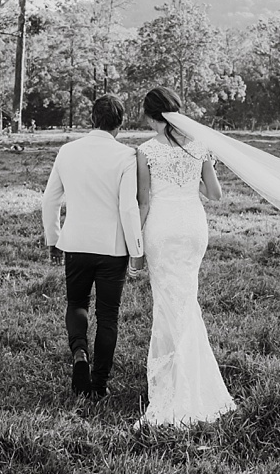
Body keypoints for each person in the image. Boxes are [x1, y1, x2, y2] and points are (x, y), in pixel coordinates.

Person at [134, 86, 237, 427]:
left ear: (150, 116)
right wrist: (196, 180)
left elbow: (144, 202)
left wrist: (135, 246)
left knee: (167, 303)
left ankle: (176, 382)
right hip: (193, 228)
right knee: (186, 299)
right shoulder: (199, 146)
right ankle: (193, 377)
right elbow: (215, 194)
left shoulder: (145, 151)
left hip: (161, 229)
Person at [41, 94, 143, 399]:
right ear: (121, 123)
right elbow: (128, 207)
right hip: (113, 248)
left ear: (91, 119)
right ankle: (99, 384)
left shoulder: (67, 151)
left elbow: (50, 200)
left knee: (77, 303)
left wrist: (53, 240)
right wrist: (136, 249)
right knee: (108, 315)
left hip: (76, 243)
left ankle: (79, 353)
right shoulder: (127, 156)